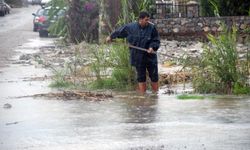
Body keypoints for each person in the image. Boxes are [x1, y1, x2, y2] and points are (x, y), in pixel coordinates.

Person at [106, 11, 160, 94]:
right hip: (137, 57)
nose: (148, 22)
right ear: (140, 19)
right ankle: (143, 97)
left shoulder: (152, 28)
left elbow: (156, 40)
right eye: (146, 20)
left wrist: (152, 47)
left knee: (154, 76)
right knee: (141, 77)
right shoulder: (130, 27)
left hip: (150, 57)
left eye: (148, 20)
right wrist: (111, 37)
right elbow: (119, 31)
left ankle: (156, 95)